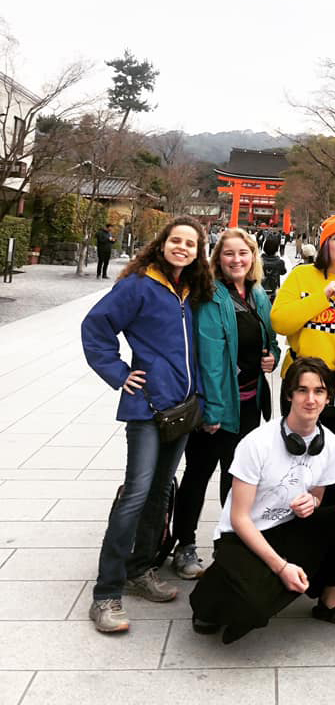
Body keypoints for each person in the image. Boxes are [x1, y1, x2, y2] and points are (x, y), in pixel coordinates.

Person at [81, 215, 214, 633]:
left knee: (160, 491)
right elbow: (96, 326)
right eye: (176, 241)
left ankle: (141, 570)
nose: (182, 248)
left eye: (191, 244)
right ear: (162, 243)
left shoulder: (190, 291)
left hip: (183, 407)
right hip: (147, 408)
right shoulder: (140, 284)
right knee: (136, 493)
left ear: (197, 252)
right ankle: (106, 593)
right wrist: (119, 373)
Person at [189, 357, 335, 643]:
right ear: (289, 395)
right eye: (302, 390)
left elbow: (318, 495)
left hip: (287, 528)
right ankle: (211, 595)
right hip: (241, 535)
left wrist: (311, 503)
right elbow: (239, 518)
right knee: (250, 610)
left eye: (319, 391)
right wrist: (281, 567)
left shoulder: (332, 444)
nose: (310, 399)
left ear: (327, 398)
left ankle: (331, 604)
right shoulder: (257, 443)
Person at [171, 227, 280, 579]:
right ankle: (184, 545)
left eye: (243, 253)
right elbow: (211, 357)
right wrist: (213, 411)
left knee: (238, 479)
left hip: (249, 403)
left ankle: (228, 543)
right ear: (218, 259)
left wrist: (272, 357)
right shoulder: (211, 296)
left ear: (253, 257)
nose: (237, 260)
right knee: (199, 474)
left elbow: (270, 340)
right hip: (217, 405)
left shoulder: (258, 295)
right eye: (229, 254)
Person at [271, 215, 335, 507]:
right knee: (297, 458)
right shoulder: (302, 276)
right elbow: (280, 322)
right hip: (302, 383)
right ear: (324, 243)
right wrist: (322, 297)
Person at [261, 234, 287, 303]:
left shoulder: (258, 261)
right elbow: (283, 272)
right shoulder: (280, 262)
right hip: (274, 289)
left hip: (260, 289)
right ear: (276, 249)